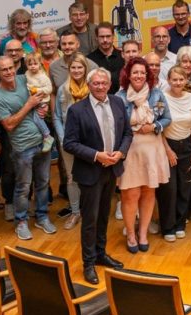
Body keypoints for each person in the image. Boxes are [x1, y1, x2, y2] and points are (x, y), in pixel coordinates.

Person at [61, 67, 130, 284]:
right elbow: (69, 143)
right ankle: (88, 263)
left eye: (104, 83)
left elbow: (128, 132)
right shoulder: (77, 110)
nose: (100, 87)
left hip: (112, 169)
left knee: (103, 215)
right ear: (89, 85)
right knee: (90, 219)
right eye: (96, 83)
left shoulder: (118, 103)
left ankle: (101, 254)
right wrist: (96, 155)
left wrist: (121, 151)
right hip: (90, 171)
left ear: (110, 85)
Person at [0, 55, 56, 239]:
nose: (9, 72)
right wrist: (29, 105)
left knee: (43, 183)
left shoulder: (23, 79)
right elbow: (9, 125)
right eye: (4, 69)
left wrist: (43, 108)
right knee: (23, 186)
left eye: (11, 67)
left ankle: (42, 217)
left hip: (42, 143)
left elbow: (42, 90)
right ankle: (21, 221)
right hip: (22, 148)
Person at [117, 57, 172, 253]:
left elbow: (167, 118)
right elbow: (116, 124)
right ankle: (131, 234)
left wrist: (154, 126)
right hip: (130, 151)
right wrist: (130, 128)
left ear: (147, 75)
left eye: (142, 72)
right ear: (128, 75)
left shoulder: (156, 94)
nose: (139, 76)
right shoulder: (120, 96)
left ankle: (143, 234)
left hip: (152, 149)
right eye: (135, 72)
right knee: (131, 194)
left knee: (149, 192)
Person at [159, 65, 191, 241]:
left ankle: (179, 224)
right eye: (174, 79)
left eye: (181, 79)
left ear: (186, 81)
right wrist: (167, 150)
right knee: (169, 190)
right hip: (167, 146)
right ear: (168, 80)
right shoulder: (161, 98)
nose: (177, 82)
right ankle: (168, 227)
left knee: (185, 188)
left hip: (187, 147)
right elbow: (159, 127)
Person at [54, 53, 92, 230]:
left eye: (80, 67)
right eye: (73, 68)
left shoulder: (93, 87)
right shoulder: (63, 89)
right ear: (69, 70)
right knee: (72, 177)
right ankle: (75, 212)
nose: (77, 71)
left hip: (90, 141)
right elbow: (56, 117)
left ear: (85, 69)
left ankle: (90, 211)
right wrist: (63, 138)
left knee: (91, 176)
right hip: (69, 142)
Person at [23, 52, 55, 152]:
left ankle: (47, 136)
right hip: (31, 101)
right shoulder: (27, 74)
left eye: (35, 64)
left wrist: (37, 90)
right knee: (32, 119)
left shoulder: (43, 77)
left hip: (42, 101)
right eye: (30, 64)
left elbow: (49, 89)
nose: (32, 66)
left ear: (40, 64)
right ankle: (41, 138)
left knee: (37, 119)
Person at [88, 22, 124, 93]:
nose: (105, 40)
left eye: (108, 36)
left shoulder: (123, 56)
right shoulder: (89, 59)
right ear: (96, 38)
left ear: (113, 37)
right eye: (102, 37)